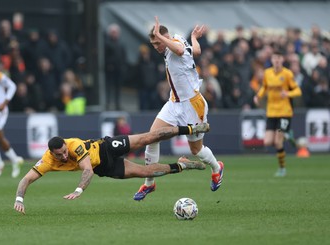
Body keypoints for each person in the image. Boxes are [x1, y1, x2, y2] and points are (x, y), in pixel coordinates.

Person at [13, 123, 210, 214]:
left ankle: (191, 129)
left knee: (147, 138)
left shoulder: (73, 145)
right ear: (51, 153)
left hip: (105, 147)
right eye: (60, 155)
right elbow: (26, 179)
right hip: (105, 168)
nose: (65, 156)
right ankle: (183, 164)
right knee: (146, 172)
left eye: (64, 151)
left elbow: (87, 170)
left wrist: (78, 190)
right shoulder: (47, 161)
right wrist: (19, 199)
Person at [133, 16, 224, 201]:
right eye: (153, 44)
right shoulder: (178, 41)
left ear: (165, 36)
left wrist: (162, 37)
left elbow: (181, 50)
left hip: (192, 104)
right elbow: (195, 51)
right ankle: (149, 184)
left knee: (196, 151)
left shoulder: (174, 44)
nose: (157, 46)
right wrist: (195, 38)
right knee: (151, 138)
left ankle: (217, 168)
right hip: (174, 103)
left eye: (158, 42)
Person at [253, 50, 302, 177]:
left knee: (278, 142)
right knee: (268, 142)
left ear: (282, 60)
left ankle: (282, 168)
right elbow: (264, 87)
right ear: (272, 60)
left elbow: (298, 90)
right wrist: (258, 96)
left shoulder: (287, 74)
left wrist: (288, 93)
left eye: (279, 58)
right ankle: (287, 134)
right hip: (271, 111)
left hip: (284, 112)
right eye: (274, 58)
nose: (276, 60)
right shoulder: (267, 73)